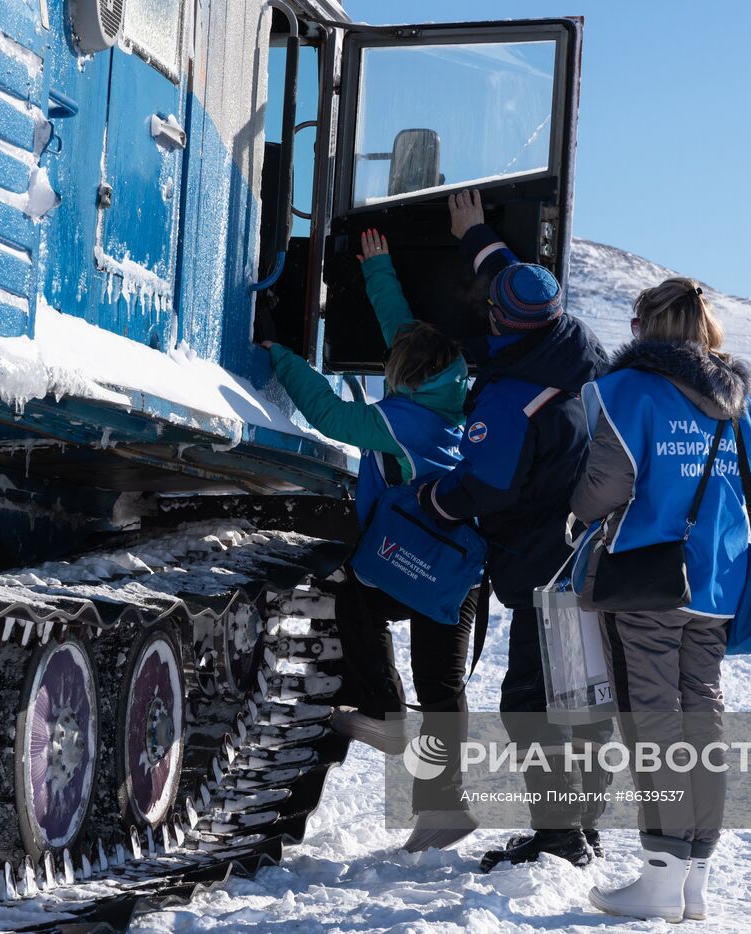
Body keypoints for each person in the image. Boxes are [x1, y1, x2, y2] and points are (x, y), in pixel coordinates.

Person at [258, 229, 482, 853]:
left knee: (354, 591)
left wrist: (279, 355)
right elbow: (404, 332)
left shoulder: (399, 421)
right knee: (442, 687)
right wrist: (378, 266)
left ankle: (384, 712)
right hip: (459, 571)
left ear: (403, 376)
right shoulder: (452, 395)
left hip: (410, 564)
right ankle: (445, 806)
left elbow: (329, 414)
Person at [569, 278, 751, 922]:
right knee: (701, 720)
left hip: (649, 581)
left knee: (652, 720)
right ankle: (693, 880)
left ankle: (660, 879)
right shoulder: (746, 403)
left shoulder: (626, 390)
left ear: (645, 326)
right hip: (718, 583)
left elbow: (604, 485)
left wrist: (575, 512)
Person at [415, 190, 609, 871]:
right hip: (589, 556)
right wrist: (476, 235)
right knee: (581, 696)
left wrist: (433, 499)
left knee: (532, 699)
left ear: (503, 321)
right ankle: (580, 828)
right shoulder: (576, 351)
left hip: (540, 563)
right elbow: (518, 282)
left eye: (491, 304)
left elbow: (483, 487)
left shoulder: (508, 399)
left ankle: (559, 838)